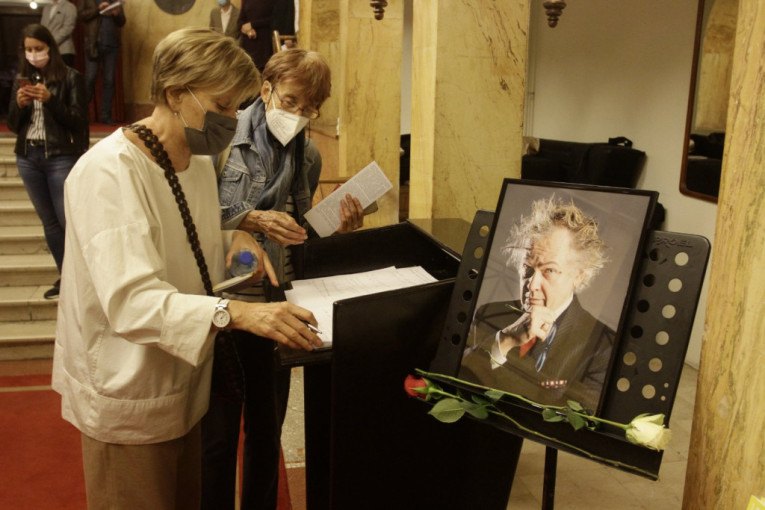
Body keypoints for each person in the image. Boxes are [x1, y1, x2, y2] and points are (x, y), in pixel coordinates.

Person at [51, 28, 323, 510]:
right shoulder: (108, 172)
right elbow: (131, 303)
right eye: (222, 104)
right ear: (176, 94)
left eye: (238, 106)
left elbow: (188, 238)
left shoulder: (195, 162)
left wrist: (234, 241)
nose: (232, 120)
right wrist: (239, 313)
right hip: (130, 395)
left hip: (185, 389)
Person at [203, 48, 364, 510]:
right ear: (266, 88)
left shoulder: (306, 153)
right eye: (290, 102)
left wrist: (336, 225)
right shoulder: (222, 136)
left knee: (266, 428)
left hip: (277, 299)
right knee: (217, 433)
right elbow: (195, 216)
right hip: (224, 298)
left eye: (308, 109)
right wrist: (250, 219)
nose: (296, 116)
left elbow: (298, 230)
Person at [460, 196, 615, 412]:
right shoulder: (489, 312)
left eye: (549, 270)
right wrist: (506, 340)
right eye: (528, 268)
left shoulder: (603, 346)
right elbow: (460, 379)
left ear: (578, 276)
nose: (532, 285)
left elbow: (580, 419)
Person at [6, 24, 88, 300]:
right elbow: (13, 125)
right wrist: (19, 106)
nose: (33, 54)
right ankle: (66, 277)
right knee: (50, 223)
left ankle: (84, 279)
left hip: (60, 156)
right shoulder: (23, 79)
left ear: (50, 48)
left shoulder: (71, 77)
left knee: (68, 221)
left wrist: (51, 100)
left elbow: (79, 121)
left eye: (38, 48)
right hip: (28, 156)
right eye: (28, 49)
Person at [78, 0, 126, 125]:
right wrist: (98, 9)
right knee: (90, 78)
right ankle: (80, 114)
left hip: (112, 44)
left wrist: (116, 14)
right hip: (93, 44)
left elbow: (122, 21)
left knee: (109, 81)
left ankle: (106, 116)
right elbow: (81, 15)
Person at [40, 0, 77, 67]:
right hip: (47, 51)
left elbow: (68, 28)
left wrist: (52, 41)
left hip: (63, 50)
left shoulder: (69, 6)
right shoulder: (46, 8)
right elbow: (43, 27)